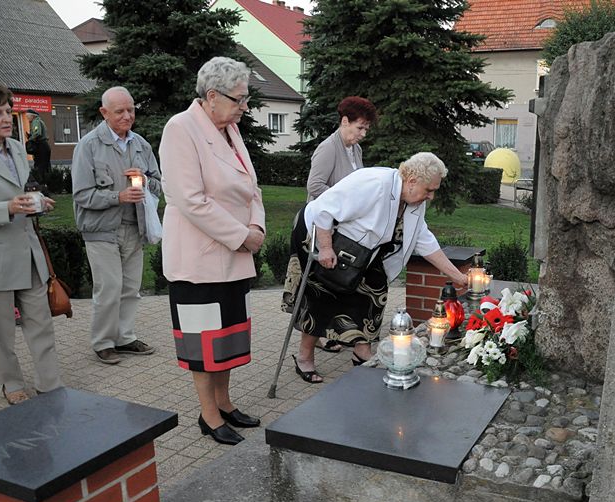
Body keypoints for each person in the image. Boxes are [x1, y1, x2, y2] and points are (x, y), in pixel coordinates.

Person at [160, 57, 265, 446]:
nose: (245, 107)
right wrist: (242, 236)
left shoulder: (230, 130)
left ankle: (224, 402)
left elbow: (252, 188)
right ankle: (208, 415)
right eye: (239, 99)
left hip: (234, 255)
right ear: (212, 95)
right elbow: (191, 200)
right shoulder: (181, 129)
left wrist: (256, 227)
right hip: (199, 259)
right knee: (204, 342)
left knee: (228, 338)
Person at [292, 152, 468, 383]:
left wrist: (458, 276)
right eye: (429, 190)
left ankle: (362, 351)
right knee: (323, 295)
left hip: (361, 249)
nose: (431, 196)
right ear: (412, 180)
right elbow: (324, 210)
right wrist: (325, 248)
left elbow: (424, 241)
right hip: (320, 234)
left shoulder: (413, 202)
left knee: (374, 290)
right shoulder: (374, 184)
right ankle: (304, 357)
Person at [0, 81, 62, 404]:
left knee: (41, 323)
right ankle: (11, 384)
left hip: (28, 252)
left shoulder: (15, 147)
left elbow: (21, 190)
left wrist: (38, 202)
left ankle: (50, 385)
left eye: (8, 112)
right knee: (0, 331)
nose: (5, 119)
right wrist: (7, 208)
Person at [281, 96, 378, 357]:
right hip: (315, 227)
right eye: (360, 127)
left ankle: (323, 334)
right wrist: (344, 204)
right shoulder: (328, 148)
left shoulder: (355, 149)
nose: (363, 133)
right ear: (344, 121)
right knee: (317, 287)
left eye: (366, 128)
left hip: (340, 227)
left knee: (332, 285)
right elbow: (314, 186)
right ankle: (311, 340)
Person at [71, 86, 161, 364]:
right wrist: (117, 197)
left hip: (135, 227)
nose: (127, 116)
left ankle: (125, 337)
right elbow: (82, 195)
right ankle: (103, 342)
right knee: (109, 288)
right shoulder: (88, 145)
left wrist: (145, 181)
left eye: (131, 110)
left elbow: (160, 185)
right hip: (101, 230)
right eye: (120, 111)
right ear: (104, 113)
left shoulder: (141, 144)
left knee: (131, 288)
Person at [24, 109, 51, 183]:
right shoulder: (40, 121)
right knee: (45, 165)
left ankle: (41, 182)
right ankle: (47, 182)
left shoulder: (35, 121)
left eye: (28, 116)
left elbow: (37, 133)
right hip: (44, 145)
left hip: (41, 145)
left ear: (32, 116)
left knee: (40, 165)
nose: (27, 118)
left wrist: (30, 139)